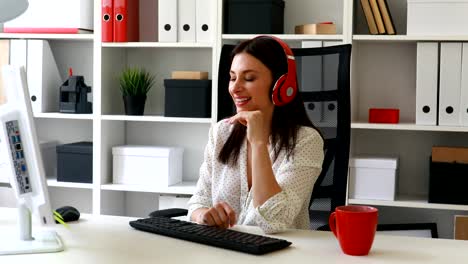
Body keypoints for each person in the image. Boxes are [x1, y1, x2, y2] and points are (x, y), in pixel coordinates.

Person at [187, 36, 324, 234]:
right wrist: (204, 215)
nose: (234, 88)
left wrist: (258, 143)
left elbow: (274, 221)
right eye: (233, 77)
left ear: (281, 84)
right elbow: (199, 200)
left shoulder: (306, 141)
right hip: (223, 250)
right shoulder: (221, 132)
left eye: (249, 78)